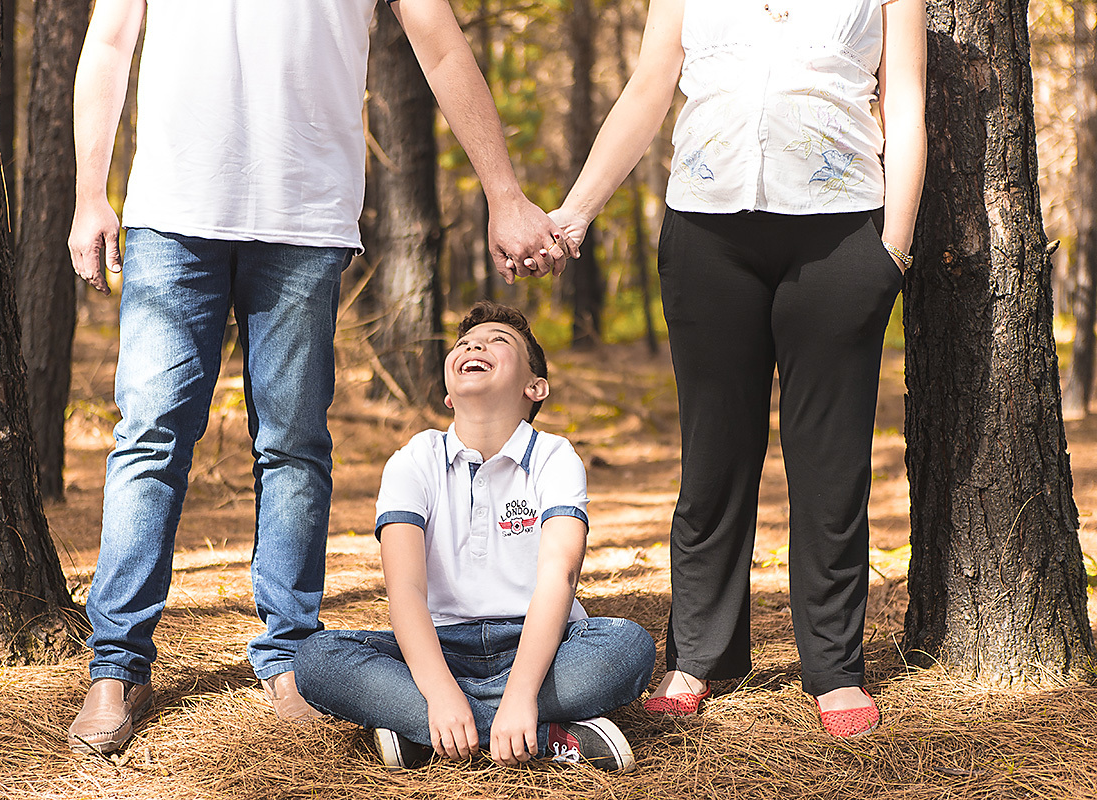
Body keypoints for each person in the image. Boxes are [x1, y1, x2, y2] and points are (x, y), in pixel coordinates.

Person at [65, 0, 579, 755]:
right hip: (172, 213)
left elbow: (439, 46)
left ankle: (289, 659)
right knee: (150, 439)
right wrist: (87, 193)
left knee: (295, 446)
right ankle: (117, 666)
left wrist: (503, 191)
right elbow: (109, 39)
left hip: (304, 218)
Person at [544, 0, 927, 738]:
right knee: (714, 458)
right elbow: (650, 87)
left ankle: (835, 669)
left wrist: (895, 249)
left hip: (841, 231)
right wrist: (576, 213)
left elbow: (905, 100)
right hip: (706, 233)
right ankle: (700, 657)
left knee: (830, 463)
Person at [294, 301, 656, 771]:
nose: (474, 345)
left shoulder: (554, 455)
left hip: (544, 648)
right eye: (464, 343)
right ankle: (545, 736)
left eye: (498, 341)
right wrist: (442, 693)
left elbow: (558, 576)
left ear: (535, 386)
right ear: (449, 393)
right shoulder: (414, 459)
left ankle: (425, 732)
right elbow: (405, 588)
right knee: (317, 658)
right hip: (438, 649)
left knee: (627, 648)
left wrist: (522, 694)